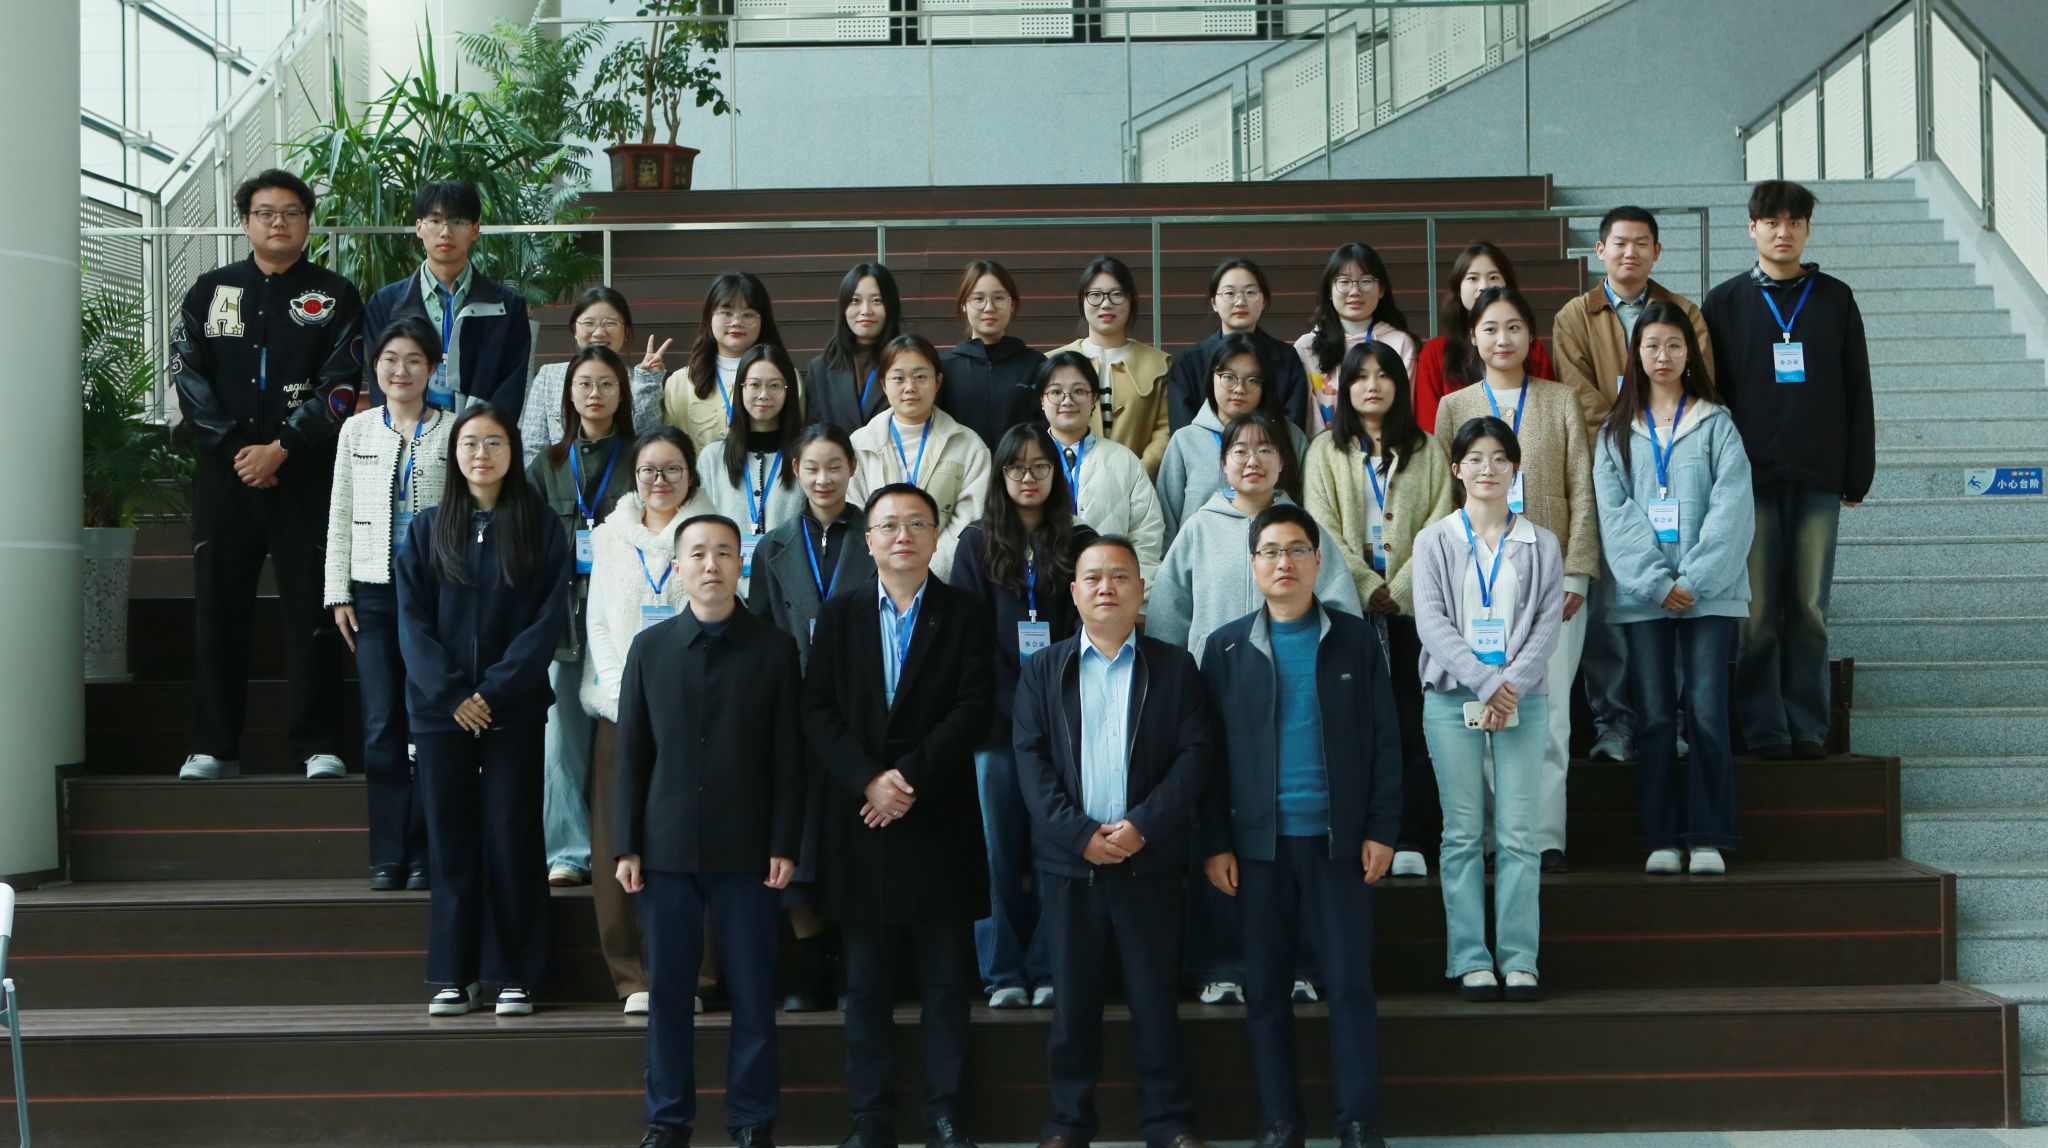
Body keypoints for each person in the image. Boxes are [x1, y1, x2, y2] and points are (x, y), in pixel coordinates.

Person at [1199, 503, 1399, 1148]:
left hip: (1339, 843)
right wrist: (1215, 842)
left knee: (1349, 985)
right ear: (1253, 564)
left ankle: (1359, 1120)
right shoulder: (1225, 647)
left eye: (1296, 550)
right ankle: (1280, 1120)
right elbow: (1206, 757)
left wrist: (1382, 828)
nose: (1283, 562)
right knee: (1264, 991)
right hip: (1256, 849)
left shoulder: (1355, 639)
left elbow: (1386, 740)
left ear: (1317, 560)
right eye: (1270, 551)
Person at [803, 483, 997, 1148]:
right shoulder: (840, 615)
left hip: (937, 813)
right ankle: (870, 1119)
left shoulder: (966, 613)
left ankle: (947, 1114)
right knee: (864, 985)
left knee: (945, 984)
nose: (903, 536)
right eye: (888, 525)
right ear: (868, 541)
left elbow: (974, 708)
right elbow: (817, 709)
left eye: (916, 524)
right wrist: (869, 779)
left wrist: (906, 777)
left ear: (937, 536)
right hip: (861, 818)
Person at [1147, 411, 1359, 1008]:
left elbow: (1341, 609)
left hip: (1295, 709)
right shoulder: (1199, 527)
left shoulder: (1303, 527)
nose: (1253, 461)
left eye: (1266, 450)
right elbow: (1167, 617)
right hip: (1214, 706)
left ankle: (1299, 964)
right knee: (1216, 834)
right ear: (1223, 463)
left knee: (1292, 844)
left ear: (1282, 462)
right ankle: (1220, 964)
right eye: (1240, 450)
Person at [1011, 535, 1213, 1148]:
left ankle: (1169, 1122)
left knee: (1155, 1003)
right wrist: (1079, 836)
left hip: (1149, 861)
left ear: (1141, 590)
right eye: (1093, 577)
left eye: (1120, 576)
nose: (1106, 587)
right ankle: (1067, 1123)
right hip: (1071, 865)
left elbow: (1194, 756)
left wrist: (1142, 826)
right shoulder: (1042, 670)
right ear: (1074, 592)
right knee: (1072, 1005)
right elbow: (1030, 762)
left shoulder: (1175, 667)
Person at [614, 513, 806, 1148]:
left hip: (749, 851)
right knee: (669, 994)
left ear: (740, 563)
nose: (711, 564)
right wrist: (626, 844)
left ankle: (752, 1121)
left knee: (753, 992)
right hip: (664, 848)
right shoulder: (650, 649)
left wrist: (784, 842)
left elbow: (789, 757)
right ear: (678, 566)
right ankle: (668, 1120)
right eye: (697, 553)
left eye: (724, 552)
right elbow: (632, 754)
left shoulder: (774, 649)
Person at [172, 167, 363, 782]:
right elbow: (188, 377)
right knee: (219, 609)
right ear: (245, 221)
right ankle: (213, 747)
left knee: (312, 607)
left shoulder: (335, 295)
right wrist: (237, 450)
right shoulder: (210, 291)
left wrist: (282, 447)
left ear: (308, 222)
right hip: (225, 477)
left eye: (291, 213)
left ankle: (318, 745)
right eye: (265, 213)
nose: (278, 222)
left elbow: (341, 387)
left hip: (304, 474)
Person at [395, 405, 569, 1018]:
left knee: (511, 833)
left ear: (512, 452)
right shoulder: (426, 528)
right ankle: (455, 973)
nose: (481, 454)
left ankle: (513, 973)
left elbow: (546, 621)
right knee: (450, 838)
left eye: (494, 443)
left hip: (511, 709)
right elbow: (411, 622)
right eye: (470, 443)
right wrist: (451, 696)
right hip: (440, 713)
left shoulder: (540, 526)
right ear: (454, 454)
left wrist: (492, 692)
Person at [1702, 179, 1874, 761]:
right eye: (1772, 222)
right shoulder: (1724, 302)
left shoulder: (1835, 298)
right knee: (1754, 612)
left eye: (1794, 222)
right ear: (1752, 228)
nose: (1783, 232)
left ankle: (1807, 725)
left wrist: (1857, 473)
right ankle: (1763, 727)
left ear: (1807, 229)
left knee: (1808, 606)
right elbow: (1711, 395)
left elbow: (1857, 389)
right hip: (1746, 479)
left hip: (1818, 474)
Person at [1431, 287, 1595, 873]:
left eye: (1514, 327)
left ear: (1531, 335)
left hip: (1551, 582)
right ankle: (1491, 837)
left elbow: (1582, 486)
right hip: (1474, 582)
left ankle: (1543, 836)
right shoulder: (1453, 406)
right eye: (1490, 328)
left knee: (1548, 714)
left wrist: (1578, 571)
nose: (1503, 339)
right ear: (1473, 338)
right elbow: (1444, 496)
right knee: (1480, 706)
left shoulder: (1559, 399)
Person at [1551, 206, 1717, 765]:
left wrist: (1662, 435)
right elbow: (1575, 394)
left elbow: (1700, 383)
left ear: (1657, 251)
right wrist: (1635, 428)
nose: (1630, 252)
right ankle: (1615, 723)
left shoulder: (1685, 312)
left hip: (1676, 469)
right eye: (1619, 242)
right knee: (1609, 608)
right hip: (1610, 468)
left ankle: (1669, 720)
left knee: (1671, 595)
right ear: (1600, 250)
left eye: (1641, 243)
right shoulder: (1575, 315)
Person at [1595, 304, 1755, 876]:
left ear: (1690, 353)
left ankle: (1708, 835)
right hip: (1644, 598)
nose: (1662, 356)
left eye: (1673, 345)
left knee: (1707, 712)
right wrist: (1657, 582)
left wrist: (1693, 580)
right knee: (1656, 717)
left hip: (1709, 593)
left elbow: (1733, 507)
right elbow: (1613, 513)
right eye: (1651, 345)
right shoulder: (1616, 431)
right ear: (1635, 355)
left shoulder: (1717, 424)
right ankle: (1661, 836)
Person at [1411, 416, 1564, 1003]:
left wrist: (1509, 687)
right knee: (1461, 834)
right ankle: (1471, 958)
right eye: (1475, 458)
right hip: (1453, 697)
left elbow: (1547, 625)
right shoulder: (1434, 540)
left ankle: (1520, 958)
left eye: (1500, 458)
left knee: (1520, 834)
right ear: (1456, 469)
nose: (1488, 469)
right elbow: (1432, 623)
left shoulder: (1542, 544)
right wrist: (1484, 682)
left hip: (1522, 699)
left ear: (1516, 468)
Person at [949, 426, 1093, 1010]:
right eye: (1016, 467)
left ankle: (1049, 965)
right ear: (1000, 475)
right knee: (997, 852)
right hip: (996, 723)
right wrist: (1019, 707)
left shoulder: (1079, 541)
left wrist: (1050, 708)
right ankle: (1002, 970)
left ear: (1057, 473)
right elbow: (969, 639)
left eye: (1040, 466)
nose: (1028, 477)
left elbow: (1087, 630)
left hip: (1067, 720)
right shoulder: (975, 542)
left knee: (1055, 847)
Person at [1302, 342, 1454, 879]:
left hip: (1416, 610)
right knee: (1352, 724)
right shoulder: (1323, 451)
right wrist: (1366, 585)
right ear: (1343, 387)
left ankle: (1412, 835)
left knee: (1413, 723)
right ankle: (1356, 832)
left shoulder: (1428, 449)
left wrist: (1402, 585)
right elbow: (1320, 526)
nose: (1372, 385)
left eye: (1384, 375)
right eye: (1360, 376)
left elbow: (1440, 519)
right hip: (1347, 608)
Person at [583, 427, 717, 1016]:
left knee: (700, 842)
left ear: (691, 473)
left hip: (698, 715)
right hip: (621, 711)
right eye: (648, 471)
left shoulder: (711, 531)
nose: (659, 481)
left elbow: (721, 614)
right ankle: (632, 974)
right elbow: (599, 624)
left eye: (672, 470)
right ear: (634, 477)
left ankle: (697, 976)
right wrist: (627, 701)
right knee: (618, 840)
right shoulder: (610, 536)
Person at [746, 423, 876, 1011]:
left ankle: (855, 962)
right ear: (795, 471)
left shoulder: (877, 535)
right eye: (812, 468)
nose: (823, 479)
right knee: (797, 838)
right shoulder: (772, 546)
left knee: (853, 838)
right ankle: (811, 961)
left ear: (852, 467)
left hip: (861, 709)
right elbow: (760, 632)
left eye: (834, 466)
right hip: (794, 710)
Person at [326, 318, 455, 889]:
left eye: (414, 360)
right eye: (390, 360)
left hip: (435, 595)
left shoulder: (454, 429)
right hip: (372, 594)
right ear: (375, 367)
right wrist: (338, 592)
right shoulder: (355, 430)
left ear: (433, 368)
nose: (401, 371)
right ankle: (388, 854)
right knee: (381, 726)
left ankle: (426, 851)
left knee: (429, 724)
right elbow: (339, 513)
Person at [525, 345, 639, 888]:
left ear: (623, 393)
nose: (595, 394)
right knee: (562, 739)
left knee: (625, 733)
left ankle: (625, 843)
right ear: (568, 395)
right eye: (585, 384)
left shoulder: (642, 458)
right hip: (563, 616)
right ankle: (568, 851)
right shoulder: (545, 465)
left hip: (626, 613)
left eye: (607, 384)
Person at [364, 181, 530, 422]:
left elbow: (511, 385)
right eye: (435, 220)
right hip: (410, 431)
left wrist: (478, 434)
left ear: (475, 230)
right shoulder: (385, 304)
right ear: (419, 228)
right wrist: (398, 429)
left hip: (478, 435)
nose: (445, 232)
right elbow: (380, 376)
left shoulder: (507, 307)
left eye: (458, 221)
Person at [847, 334, 993, 581]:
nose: (909, 387)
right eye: (898, 378)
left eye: (920, 377)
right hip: (876, 581)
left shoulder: (968, 446)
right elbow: (854, 515)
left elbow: (970, 520)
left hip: (944, 582)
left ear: (937, 381)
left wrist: (927, 573)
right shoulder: (860, 445)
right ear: (883, 384)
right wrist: (888, 571)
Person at [1155, 334, 1310, 542]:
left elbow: (1308, 509)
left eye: (1252, 380)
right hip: (1201, 557)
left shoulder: (1290, 437)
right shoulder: (1185, 441)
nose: (1239, 389)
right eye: (1228, 377)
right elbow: (1167, 521)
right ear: (1212, 378)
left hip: (1276, 556)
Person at [1035, 352, 1166, 586]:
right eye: (1055, 392)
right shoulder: (1026, 460)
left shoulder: (1124, 460)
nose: (1067, 400)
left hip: (1107, 591)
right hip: (1040, 589)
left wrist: (1132, 593)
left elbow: (1147, 537)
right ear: (1041, 400)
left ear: (1094, 398)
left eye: (1079, 391)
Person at [1411, 242, 1557, 434]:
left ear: (1507, 286)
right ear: (1458, 289)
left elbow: (1549, 418)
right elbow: (1431, 431)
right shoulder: (1435, 353)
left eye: (1494, 277)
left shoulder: (1532, 350)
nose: (1484, 287)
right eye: (1472, 278)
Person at [1048, 256, 1173, 477]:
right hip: (1066, 486)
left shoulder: (1160, 365)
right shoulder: (1052, 362)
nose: (1106, 304)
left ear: (1131, 300)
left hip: (1138, 484)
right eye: (1095, 295)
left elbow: (1165, 429)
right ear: (1082, 300)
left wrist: (1136, 474)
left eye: (1116, 294)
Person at [518, 285, 669, 465]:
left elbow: (646, 446)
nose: (598, 333)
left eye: (610, 323)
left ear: (626, 332)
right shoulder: (548, 377)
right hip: (559, 481)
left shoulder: (640, 381)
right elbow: (532, 448)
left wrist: (647, 383)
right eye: (589, 323)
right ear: (574, 330)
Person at [698, 343, 805, 588]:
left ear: (788, 390)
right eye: (754, 385)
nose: (763, 394)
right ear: (741, 389)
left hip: (789, 589)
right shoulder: (712, 458)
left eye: (774, 385)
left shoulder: (805, 456)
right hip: (726, 591)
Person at [1163, 258, 1308, 432]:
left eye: (1250, 292)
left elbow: (1291, 427)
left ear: (1264, 301)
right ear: (1214, 302)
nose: (1240, 302)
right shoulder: (1188, 362)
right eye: (1229, 293)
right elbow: (1185, 432)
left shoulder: (1286, 358)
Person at [1295, 242, 1418, 436]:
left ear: (1381, 289)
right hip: (1323, 449)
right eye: (1344, 282)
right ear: (1329, 290)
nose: (1355, 291)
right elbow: (1307, 418)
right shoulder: (1306, 347)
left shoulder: (1400, 343)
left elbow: (1402, 407)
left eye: (1366, 281)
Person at [664, 272, 794, 453]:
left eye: (748, 314)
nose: (737, 322)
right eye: (726, 312)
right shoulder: (679, 383)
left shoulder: (786, 376)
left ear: (763, 320)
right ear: (709, 317)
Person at [938, 260, 1045, 450]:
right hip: (963, 467)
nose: (989, 307)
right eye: (978, 299)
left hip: (1021, 467)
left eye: (999, 298)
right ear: (964, 305)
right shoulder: (944, 368)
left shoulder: (1035, 365)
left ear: (1012, 304)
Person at [806, 263, 903, 435]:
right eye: (855, 301)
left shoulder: (908, 364)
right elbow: (813, 435)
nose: (865, 311)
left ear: (890, 306)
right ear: (843, 308)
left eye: (876, 300)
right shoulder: (819, 370)